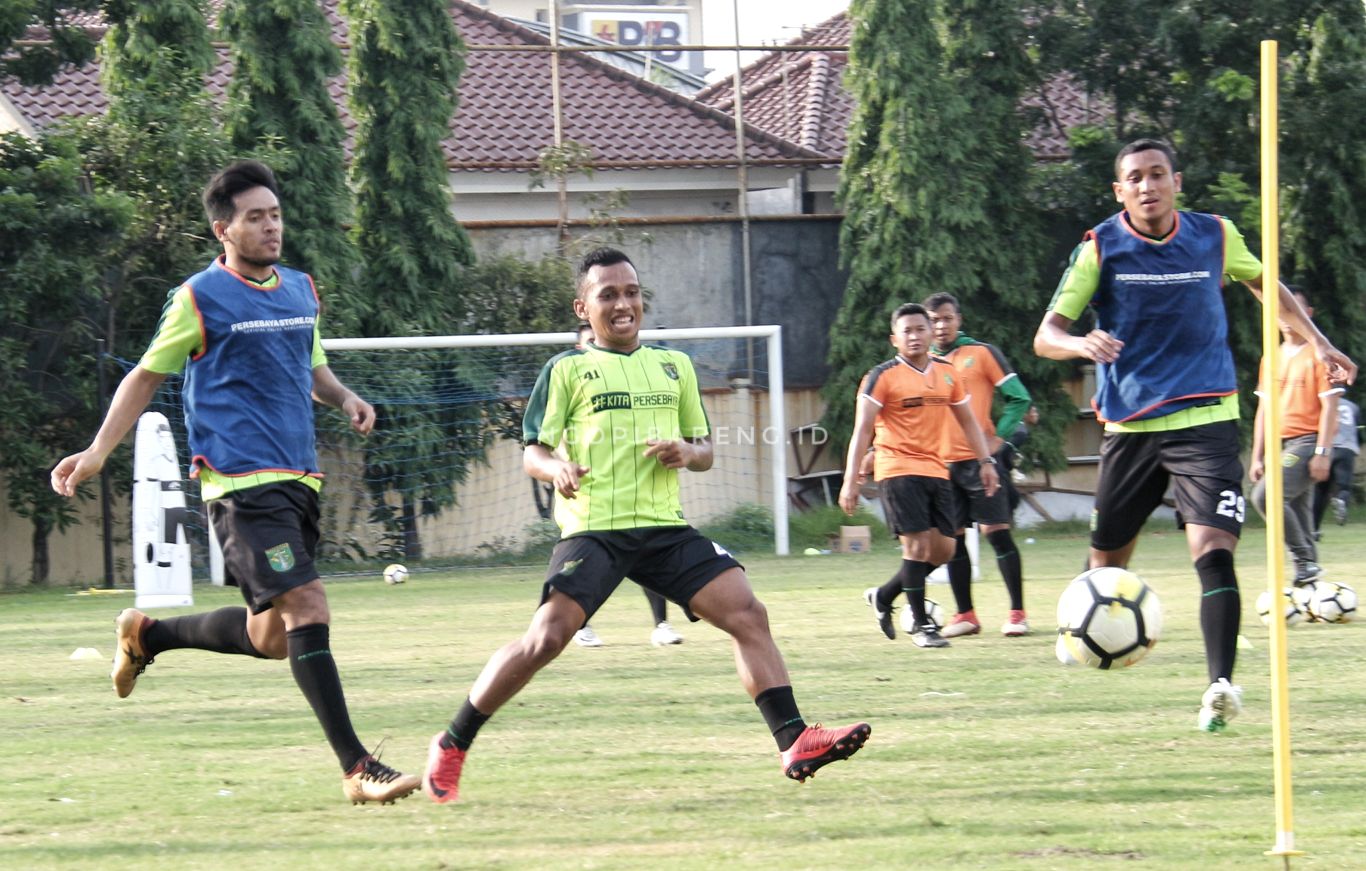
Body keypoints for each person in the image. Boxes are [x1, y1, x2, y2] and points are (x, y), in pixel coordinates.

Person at [422, 248, 869, 803]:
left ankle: (794, 739)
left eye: (631, 291)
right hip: (595, 528)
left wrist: (687, 449)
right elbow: (530, 452)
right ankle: (453, 741)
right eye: (607, 294)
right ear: (583, 308)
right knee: (547, 638)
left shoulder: (673, 366)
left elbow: (704, 450)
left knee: (747, 611)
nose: (623, 303)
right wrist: (556, 467)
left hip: (663, 528)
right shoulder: (565, 371)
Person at [49, 160, 419, 804]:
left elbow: (312, 367)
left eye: (275, 214)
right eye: (256, 217)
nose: (271, 226)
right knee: (309, 607)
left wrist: (346, 398)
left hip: (300, 479)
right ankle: (358, 768)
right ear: (225, 229)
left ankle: (148, 635)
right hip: (240, 485)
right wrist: (97, 450)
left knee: (273, 637)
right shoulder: (199, 298)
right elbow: (144, 376)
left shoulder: (302, 289)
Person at [1033, 139, 1357, 732]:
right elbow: (1046, 335)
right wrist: (1081, 343)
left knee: (1213, 553)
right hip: (1131, 426)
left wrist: (1319, 342)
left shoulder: (1214, 234)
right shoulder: (1100, 247)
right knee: (1105, 559)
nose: (1148, 185)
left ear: (1176, 182)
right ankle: (1080, 622)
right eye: (1136, 177)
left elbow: (1268, 288)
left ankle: (1220, 685)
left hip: (1206, 419)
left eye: (1158, 174)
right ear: (1120, 190)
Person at [838, 302, 1001, 648]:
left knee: (943, 550)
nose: (914, 336)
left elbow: (969, 422)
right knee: (916, 546)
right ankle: (923, 626)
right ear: (894, 339)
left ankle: (884, 596)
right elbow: (862, 429)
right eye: (906, 331)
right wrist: (851, 480)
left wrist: (986, 462)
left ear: (930, 334)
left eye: (920, 329)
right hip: (897, 469)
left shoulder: (947, 373)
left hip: (936, 469)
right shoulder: (881, 376)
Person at [570, 324, 685, 649]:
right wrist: (562, 466)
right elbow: (550, 442)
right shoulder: (569, 382)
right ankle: (582, 626)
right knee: (586, 572)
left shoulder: (638, 379)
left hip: (641, 500)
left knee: (650, 559)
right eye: (589, 341)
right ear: (580, 348)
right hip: (589, 504)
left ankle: (662, 625)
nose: (597, 344)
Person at [925, 292, 1033, 637]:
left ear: (959, 320)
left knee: (997, 534)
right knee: (953, 541)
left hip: (981, 462)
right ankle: (965, 615)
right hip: (941, 465)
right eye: (934, 320)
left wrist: (999, 438)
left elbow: (1019, 397)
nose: (941, 326)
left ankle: (1017, 613)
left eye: (947, 318)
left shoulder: (981, 353)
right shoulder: (920, 362)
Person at [1249, 288, 1343, 584]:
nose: (1287, 319)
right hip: (1284, 445)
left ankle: (1302, 558)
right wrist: (1257, 455)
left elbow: (1330, 406)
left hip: (1307, 443)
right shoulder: (1271, 356)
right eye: (1280, 312)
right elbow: (1264, 408)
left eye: (1294, 312)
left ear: (1307, 315)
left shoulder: (1319, 355)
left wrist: (1322, 452)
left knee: (1267, 497)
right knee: (1299, 513)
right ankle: (1311, 581)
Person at [1312, 395, 1360, 531]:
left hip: (1327, 448)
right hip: (1347, 449)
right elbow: (1358, 431)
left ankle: (1314, 529)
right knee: (1344, 486)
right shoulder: (1353, 407)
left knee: (1321, 490)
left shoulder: (1323, 402)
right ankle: (1341, 500)